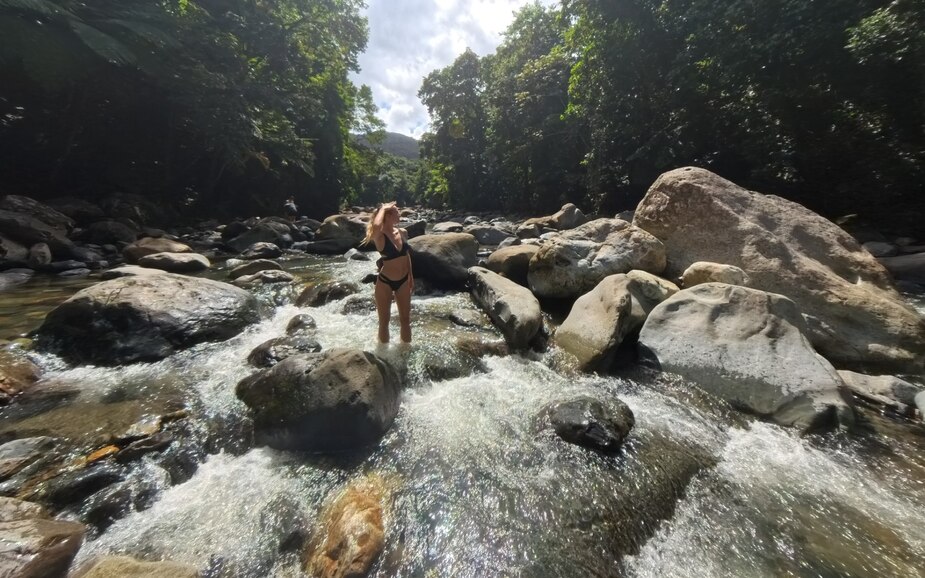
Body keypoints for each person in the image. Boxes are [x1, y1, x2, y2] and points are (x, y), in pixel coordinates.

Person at [363, 201, 413, 344]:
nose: (400, 213)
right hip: (385, 282)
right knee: (384, 322)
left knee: (405, 319)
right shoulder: (379, 235)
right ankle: (383, 355)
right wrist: (384, 208)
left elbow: (406, 255)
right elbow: (377, 226)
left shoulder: (402, 232)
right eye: (397, 211)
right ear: (388, 215)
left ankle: (405, 353)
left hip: (403, 281)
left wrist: (410, 276)